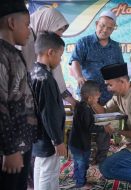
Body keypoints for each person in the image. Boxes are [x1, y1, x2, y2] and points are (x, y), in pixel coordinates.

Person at [70, 10, 124, 164]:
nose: (104, 30)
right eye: (102, 26)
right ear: (96, 24)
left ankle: (101, 158)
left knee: (104, 128)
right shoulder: (84, 42)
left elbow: (120, 69)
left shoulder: (115, 47)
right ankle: (83, 158)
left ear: (113, 29)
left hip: (108, 95)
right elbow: (75, 61)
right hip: (88, 95)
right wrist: (79, 76)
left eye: (109, 28)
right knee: (84, 126)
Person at [0, 1, 39, 190]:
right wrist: (10, 150)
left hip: (20, 143)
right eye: (26, 25)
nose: (29, 31)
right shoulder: (1, 55)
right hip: (9, 148)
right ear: (12, 23)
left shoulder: (14, 53)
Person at [31, 31, 67, 190]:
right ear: (50, 52)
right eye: (60, 55)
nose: (60, 59)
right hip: (47, 136)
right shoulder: (45, 78)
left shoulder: (33, 72)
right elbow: (49, 113)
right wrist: (58, 141)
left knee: (41, 166)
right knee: (49, 172)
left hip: (38, 135)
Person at [21, 6, 76, 108]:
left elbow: (57, 73)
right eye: (59, 29)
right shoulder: (24, 39)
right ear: (46, 22)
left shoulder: (49, 48)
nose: (60, 34)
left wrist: (72, 101)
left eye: (62, 31)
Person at [68, 80, 114, 189]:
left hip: (75, 142)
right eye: (97, 99)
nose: (97, 101)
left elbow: (88, 123)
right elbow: (90, 127)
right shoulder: (86, 110)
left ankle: (76, 176)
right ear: (90, 98)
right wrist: (104, 128)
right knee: (82, 163)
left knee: (77, 162)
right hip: (81, 145)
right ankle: (81, 184)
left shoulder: (80, 106)